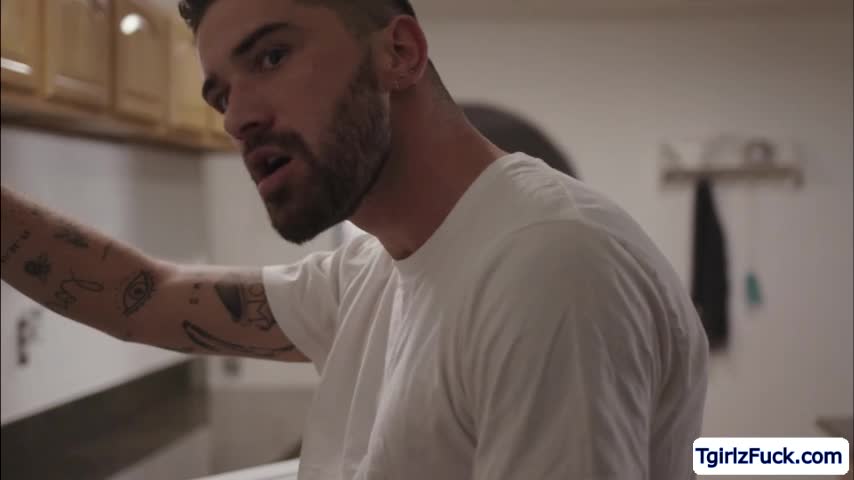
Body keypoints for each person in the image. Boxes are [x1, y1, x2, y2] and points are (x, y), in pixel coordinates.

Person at [0, 0, 709, 478]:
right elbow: (146, 298)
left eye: (271, 57)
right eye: (220, 94)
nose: (237, 118)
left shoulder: (548, 266)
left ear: (398, 52)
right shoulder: (375, 269)